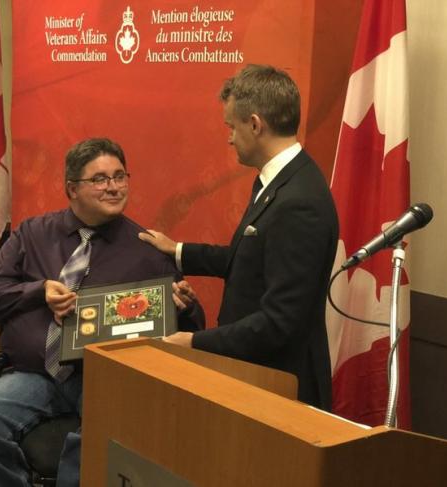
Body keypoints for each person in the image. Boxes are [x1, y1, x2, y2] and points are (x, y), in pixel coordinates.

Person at [0, 137, 203, 487]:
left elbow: (191, 324)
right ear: (72, 189)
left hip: (106, 379)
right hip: (35, 374)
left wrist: (186, 306)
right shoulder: (32, 234)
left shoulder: (147, 249)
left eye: (120, 176)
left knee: (99, 438)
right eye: (100, 179)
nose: (113, 187)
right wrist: (38, 291)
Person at [139, 64, 338, 411]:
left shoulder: (299, 201)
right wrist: (178, 250)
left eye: (232, 126)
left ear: (255, 124)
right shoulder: (277, 180)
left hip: (279, 386)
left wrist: (195, 342)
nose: (229, 138)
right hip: (256, 375)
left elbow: (279, 322)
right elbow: (249, 256)